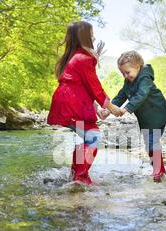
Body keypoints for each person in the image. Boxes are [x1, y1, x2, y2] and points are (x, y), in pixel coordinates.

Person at [47, 21, 121, 185]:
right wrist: (112, 108)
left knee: (90, 137)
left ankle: (77, 175)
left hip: (69, 103)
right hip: (71, 105)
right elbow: (96, 88)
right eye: (92, 33)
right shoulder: (83, 59)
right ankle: (80, 177)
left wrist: (97, 110)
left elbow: (85, 89)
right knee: (93, 137)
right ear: (85, 36)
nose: (94, 36)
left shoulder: (76, 57)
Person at [112, 51, 166, 182]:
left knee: (152, 143)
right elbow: (122, 94)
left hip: (157, 115)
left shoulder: (145, 78)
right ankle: (159, 170)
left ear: (138, 66)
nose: (125, 76)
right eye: (122, 73)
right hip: (146, 119)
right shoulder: (129, 81)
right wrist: (110, 107)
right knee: (149, 144)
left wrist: (126, 109)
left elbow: (142, 95)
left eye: (127, 72)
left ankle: (158, 171)